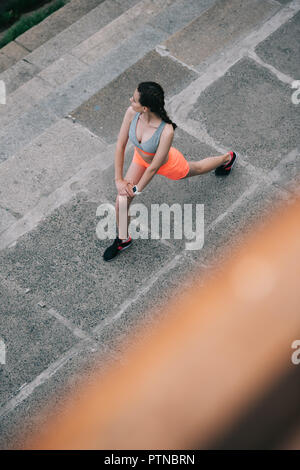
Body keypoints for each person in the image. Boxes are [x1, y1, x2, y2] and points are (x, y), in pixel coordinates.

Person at [103, 81, 237, 261]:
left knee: (195, 168)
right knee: (121, 202)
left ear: (145, 108)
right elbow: (120, 146)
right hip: (140, 159)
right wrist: (118, 180)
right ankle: (123, 239)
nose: (130, 101)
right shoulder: (131, 113)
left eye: (134, 100)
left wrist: (135, 190)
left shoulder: (166, 131)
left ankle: (226, 159)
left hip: (168, 165)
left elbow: (154, 168)